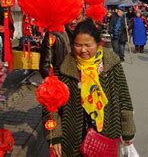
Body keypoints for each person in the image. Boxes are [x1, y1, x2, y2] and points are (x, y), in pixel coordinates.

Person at [47, 19, 136, 157]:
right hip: (72, 138)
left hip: (107, 134)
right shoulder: (65, 68)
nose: (83, 50)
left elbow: (123, 96)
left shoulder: (111, 63)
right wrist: (54, 136)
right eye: (78, 45)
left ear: (97, 43)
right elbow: (51, 105)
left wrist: (128, 129)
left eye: (88, 45)